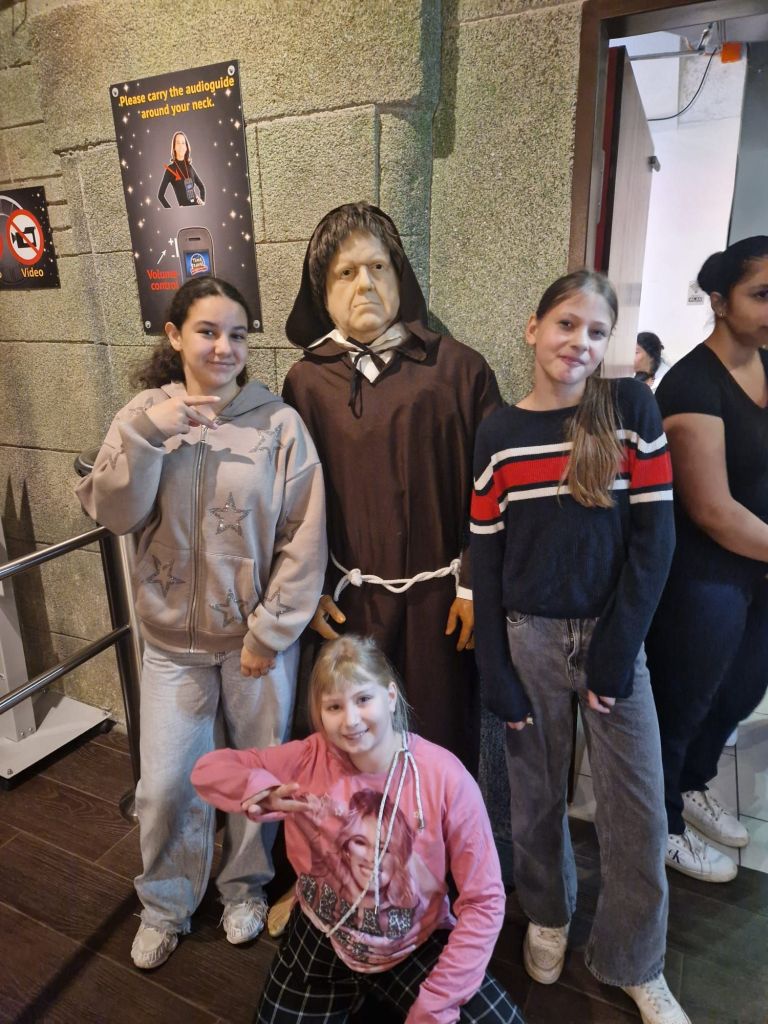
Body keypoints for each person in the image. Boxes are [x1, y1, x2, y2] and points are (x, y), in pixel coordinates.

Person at [76, 275, 326, 969]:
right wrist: (147, 436)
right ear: (175, 335)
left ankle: (244, 888)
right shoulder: (142, 414)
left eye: (237, 334)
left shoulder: (279, 424)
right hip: (169, 647)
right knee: (164, 786)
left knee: (256, 777)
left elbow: (304, 537)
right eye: (208, 331)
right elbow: (114, 513)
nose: (224, 347)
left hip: (254, 644)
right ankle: (166, 902)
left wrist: (270, 632)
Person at [471, 270, 690, 1024]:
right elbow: (487, 558)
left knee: (637, 809)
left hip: (611, 638)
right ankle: (548, 912)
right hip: (527, 638)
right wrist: (495, 670)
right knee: (536, 797)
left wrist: (617, 648)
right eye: (567, 324)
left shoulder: (629, 410)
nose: (581, 342)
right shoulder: (498, 433)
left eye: (598, 332)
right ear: (533, 329)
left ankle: (634, 957)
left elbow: (656, 541)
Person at [192, 634, 524, 1024]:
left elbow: (485, 900)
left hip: (413, 941)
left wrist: (438, 1003)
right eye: (334, 706)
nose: (350, 721)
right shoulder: (307, 757)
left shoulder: (445, 777)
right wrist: (257, 787)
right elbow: (208, 770)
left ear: (390, 697)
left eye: (363, 699)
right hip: (323, 933)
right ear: (319, 713)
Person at [282, 202, 502, 776]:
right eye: (345, 272)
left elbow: (493, 488)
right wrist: (308, 589)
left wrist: (475, 583)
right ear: (322, 292)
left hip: (442, 606)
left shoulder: (460, 371)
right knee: (354, 747)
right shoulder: (306, 383)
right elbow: (292, 502)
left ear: (400, 276)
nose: (365, 284)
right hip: (350, 603)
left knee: (440, 746)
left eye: (377, 267)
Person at [645, 236, 768, 883]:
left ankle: (692, 784)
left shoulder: (765, 364)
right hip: (704, 576)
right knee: (682, 703)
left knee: (740, 691)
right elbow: (713, 509)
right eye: (762, 294)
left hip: (759, 566)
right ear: (720, 301)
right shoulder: (692, 382)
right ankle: (660, 824)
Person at [158, 130, 206, 207]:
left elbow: (202, 187)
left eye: (183, 143)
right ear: (174, 147)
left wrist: (202, 202)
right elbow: (160, 196)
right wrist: (172, 211)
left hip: (197, 209)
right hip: (183, 212)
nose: (181, 145)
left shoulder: (190, 167)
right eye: (178, 143)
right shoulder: (170, 169)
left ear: (186, 147)